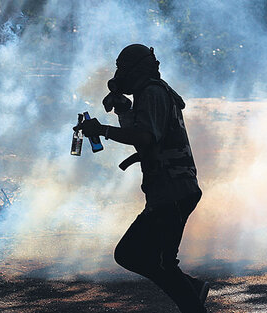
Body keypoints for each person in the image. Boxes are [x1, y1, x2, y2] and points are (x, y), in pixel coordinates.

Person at [76, 44, 209, 313]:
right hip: (167, 191)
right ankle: (192, 289)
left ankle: (192, 298)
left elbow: (145, 138)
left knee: (160, 263)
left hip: (173, 190)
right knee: (133, 255)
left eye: (122, 68)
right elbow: (144, 136)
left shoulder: (152, 93)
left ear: (137, 69)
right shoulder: (148, 94)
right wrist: (124, 110)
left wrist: (102, 129)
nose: (118, 74)